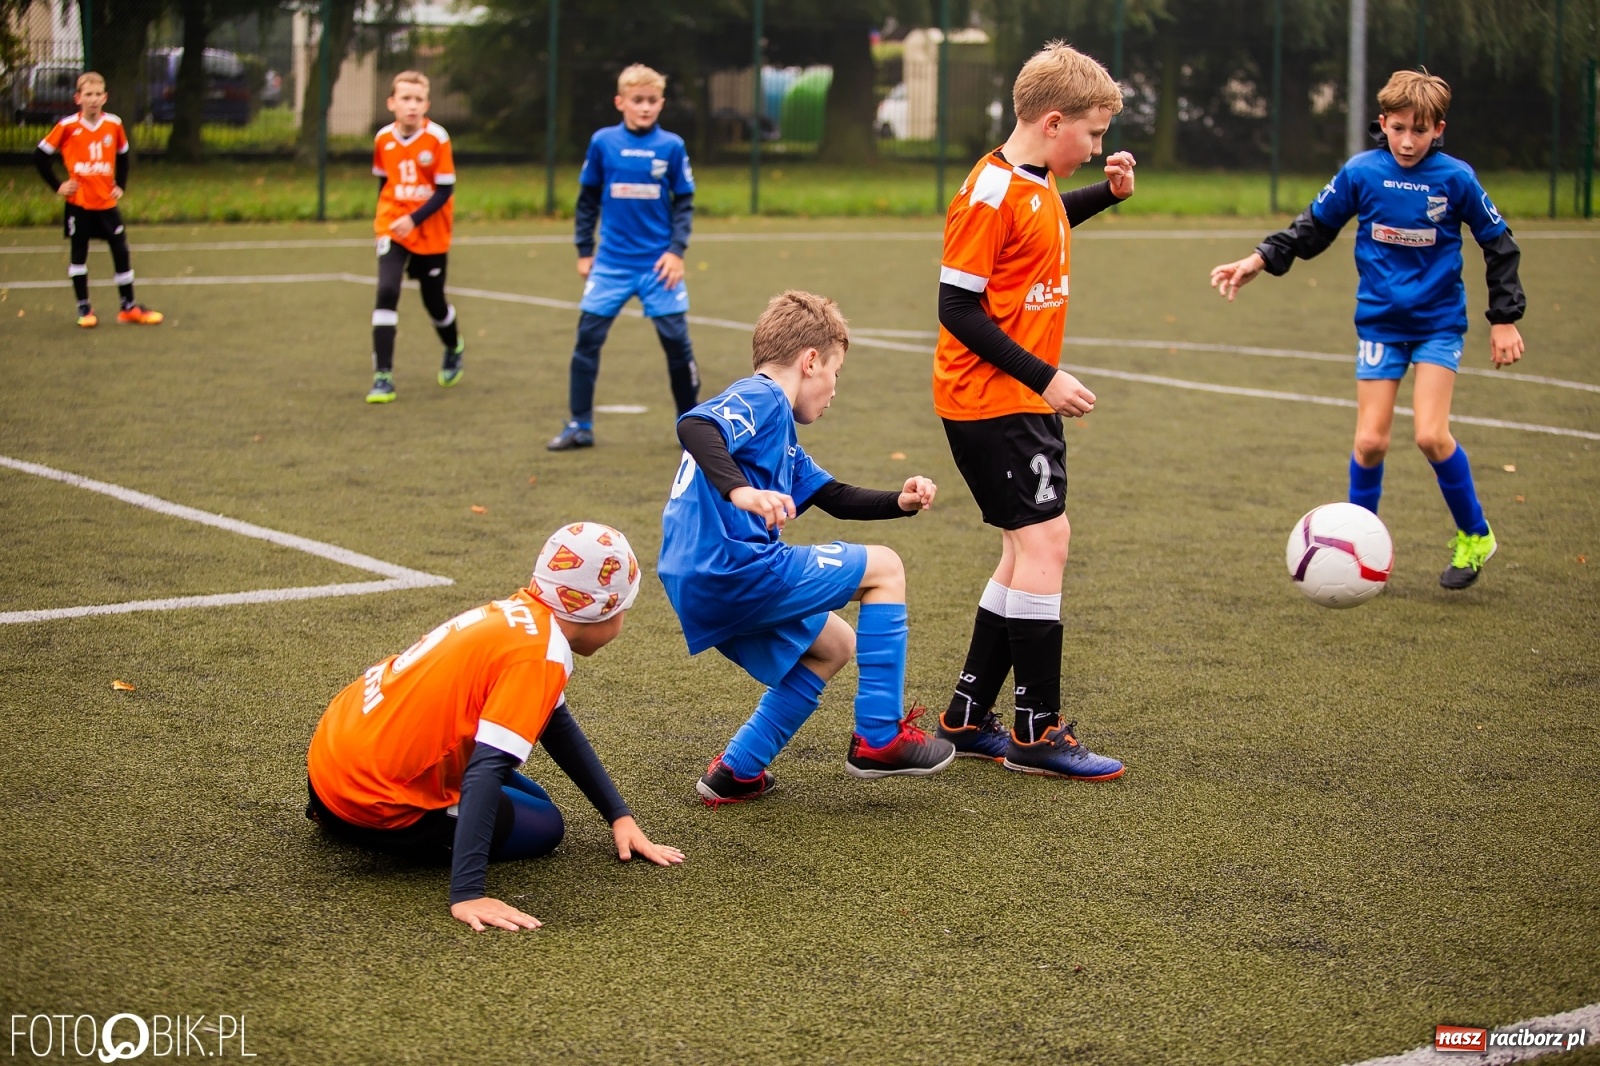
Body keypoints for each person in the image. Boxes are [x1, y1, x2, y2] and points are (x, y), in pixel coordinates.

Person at [1209, 69, 1526, 589]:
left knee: (1430, 435)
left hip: (1438, 324)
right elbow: (1313, 226)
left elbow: (1499, 242)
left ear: (1438, 130)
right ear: (1383, 122)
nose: (1407, 141)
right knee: (1371, 442)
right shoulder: (1362, 172)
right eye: (1398, 128)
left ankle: (1475, 535)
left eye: (1419, 131)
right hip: (1379, 324)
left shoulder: (1456, 179)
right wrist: (1258, 259)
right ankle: (1360, 546)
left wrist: (1505, 319)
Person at [306, 522, 684, 932]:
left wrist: (619, 816)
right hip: (367, 796)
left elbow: (557, 726)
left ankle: (339, 810)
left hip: (333, 757)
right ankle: (357, 825)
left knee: (532, 798)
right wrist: (468, 893)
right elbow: (485, 771)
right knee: (546, 826)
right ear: (603, 609)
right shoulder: (541, 656)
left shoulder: (518, 613)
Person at [659, 291, 955, 805]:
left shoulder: (779, 433)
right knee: (886, 568)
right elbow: (695, 425)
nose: (834, 389)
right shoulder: (764, 396)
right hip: (734, 567)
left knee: (833, 644)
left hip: (696, 579)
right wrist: (741, 491)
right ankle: (879, 737)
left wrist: (900, 502)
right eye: (836, 373)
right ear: (810, 361)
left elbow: (832, 496)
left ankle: (737, 769)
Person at [931, 42, 1131, 781]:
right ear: (1053, 123)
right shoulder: (991, 191)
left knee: (1027, 547)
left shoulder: (1034, 179)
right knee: (1046, 542)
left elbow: (1043, 225)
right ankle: (1037, 731)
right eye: (1093, 134)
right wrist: (1045, 377)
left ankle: (967, 715)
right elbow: (957, 307)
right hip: (991, 398)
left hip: (1012, 396)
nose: (1097, 147)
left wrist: (1106, 194)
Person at [548, 63, 699, 450]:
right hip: (611, 264)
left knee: (677, 343)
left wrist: (676, 252)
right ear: (621, 102)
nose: (645, 107)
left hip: (658, 266)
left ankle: (694, 430)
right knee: (588, 339)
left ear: (661, 103)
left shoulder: (672, 146)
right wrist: (585, 251)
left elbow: (684, 203)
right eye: (637, 100)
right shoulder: (603, 143)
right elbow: (587, 201)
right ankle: (580, 425)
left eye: (652, 100)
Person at [32, 72, 162, 329]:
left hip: (106, 203)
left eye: (97, 94)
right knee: (79, 254)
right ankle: (84, 308)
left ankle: (128, 307)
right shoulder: (67, 126)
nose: (93, 99)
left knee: (121, 251)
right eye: (88, 94)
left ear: (105, 97)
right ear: (78, 98)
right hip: (79, 203)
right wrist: (58, 186)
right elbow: (40, 156)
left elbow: (123, 156)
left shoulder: (114, 124)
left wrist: (120, 185)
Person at [365, 71, 463, 404]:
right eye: (405, 98)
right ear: (391, 103)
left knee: (434, 303)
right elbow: (384, 184)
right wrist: (385, 222)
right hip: (393, 227)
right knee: (387, 291)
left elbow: (445, 190)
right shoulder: (383, 138)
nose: (412, 105)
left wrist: (414, 218)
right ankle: (383, 377)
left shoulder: (437, 138)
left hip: (430, 231)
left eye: (418, 99)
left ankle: (453, 346)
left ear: (427, 105)